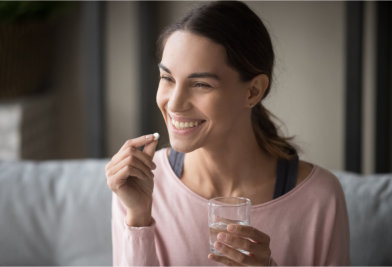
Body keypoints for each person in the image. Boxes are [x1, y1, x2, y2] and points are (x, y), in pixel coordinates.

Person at [106, 1, 350, 266]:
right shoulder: (139, 185)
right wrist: (138, 217)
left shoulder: (319, 198)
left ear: (253, 91)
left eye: (200, 84)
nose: (174, 103)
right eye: (167, 78)